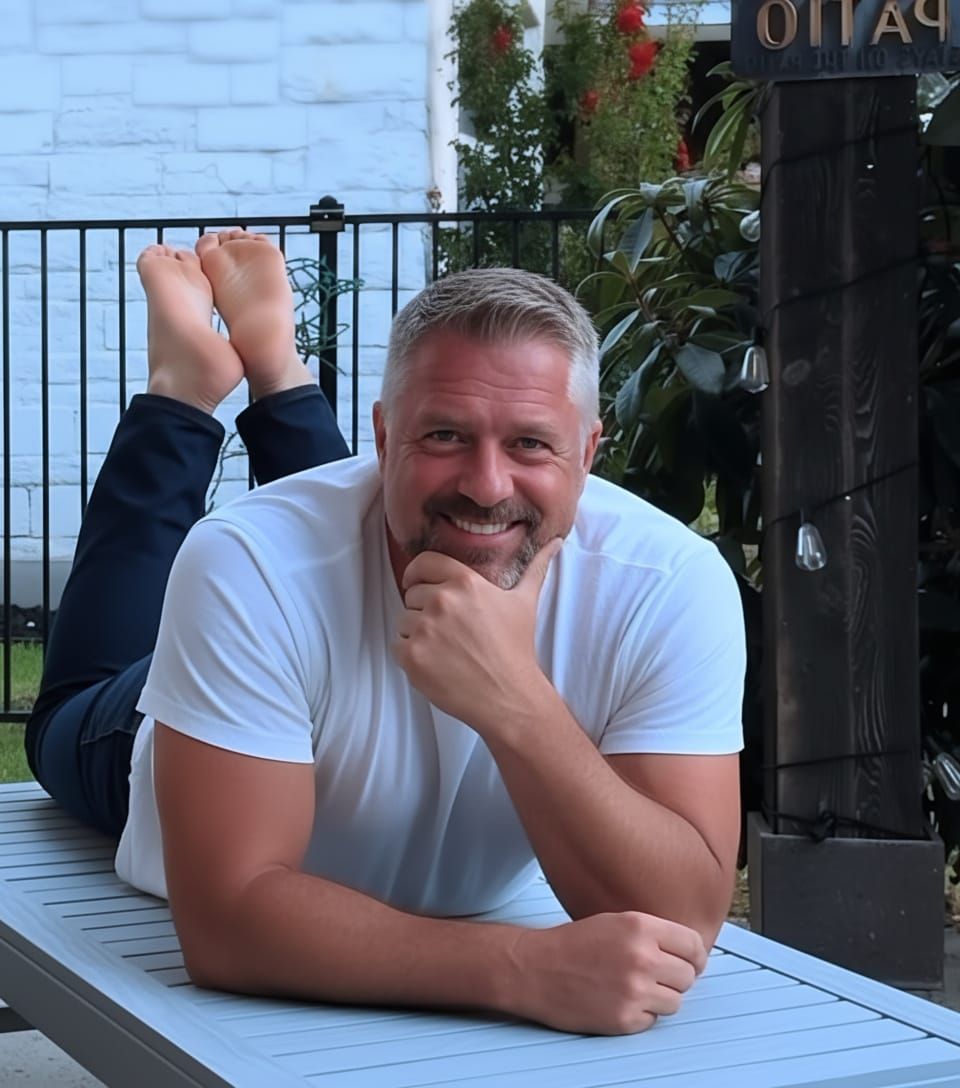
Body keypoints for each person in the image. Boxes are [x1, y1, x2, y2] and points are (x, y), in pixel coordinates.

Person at [25, 230, 746, 1037]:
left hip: (318, 609)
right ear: (380, 437)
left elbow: (681, 921)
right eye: (443, 435)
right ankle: (182, 392)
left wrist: (515, 701)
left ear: (588, 451)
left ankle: (276, 365)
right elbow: (227, 919)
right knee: (64, 714)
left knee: (379, 514)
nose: (488, 484)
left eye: (530, 443)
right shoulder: (247, 562)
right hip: (158, 734)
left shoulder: (669, 582)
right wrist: (519, 967)